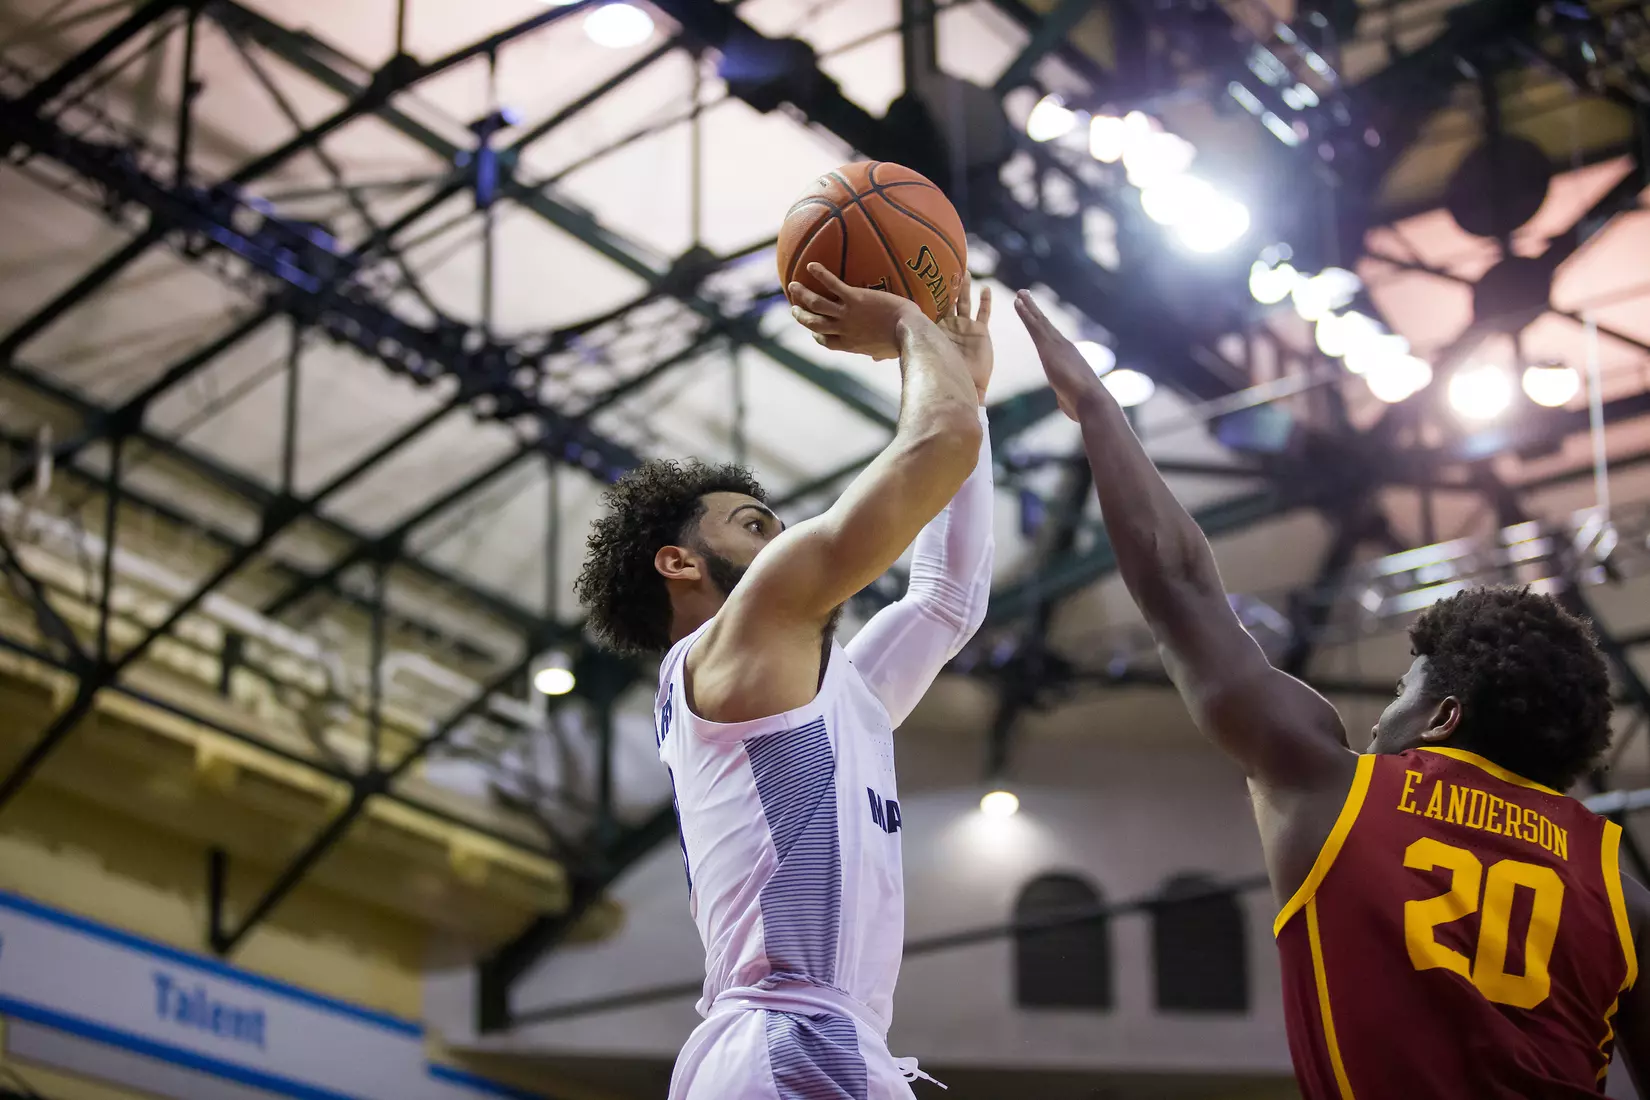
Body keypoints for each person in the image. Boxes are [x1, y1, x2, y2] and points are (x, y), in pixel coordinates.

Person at [1012, 287, 1650, 1098]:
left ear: (1444, 717)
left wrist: (1095, 407)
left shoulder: (1334, 787)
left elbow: (1179, 584)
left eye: (1401, 693)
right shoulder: (1620, 895)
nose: (1378, 718)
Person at [575, 263, 995, 1098]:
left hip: (820, 1040)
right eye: (753, 524)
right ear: (679, 562)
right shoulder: (746, 633)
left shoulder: (819, 692)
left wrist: (967, 397)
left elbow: (948, 602)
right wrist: (912, 332)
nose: (779, 540)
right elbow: (941, 441)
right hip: (784, 1038)